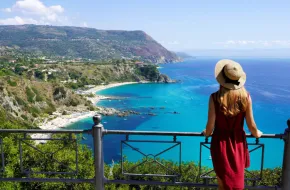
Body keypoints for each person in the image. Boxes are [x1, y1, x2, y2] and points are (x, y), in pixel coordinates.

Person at [202, 59, 263, 190]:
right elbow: (251, 124)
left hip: (220, 143)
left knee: (222, 182)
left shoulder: (214, 98)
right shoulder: (246, 97)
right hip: (238, 143)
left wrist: (206, 133)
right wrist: (257, 133)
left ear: (221, 79)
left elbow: (210, 126)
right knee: (236, 178)